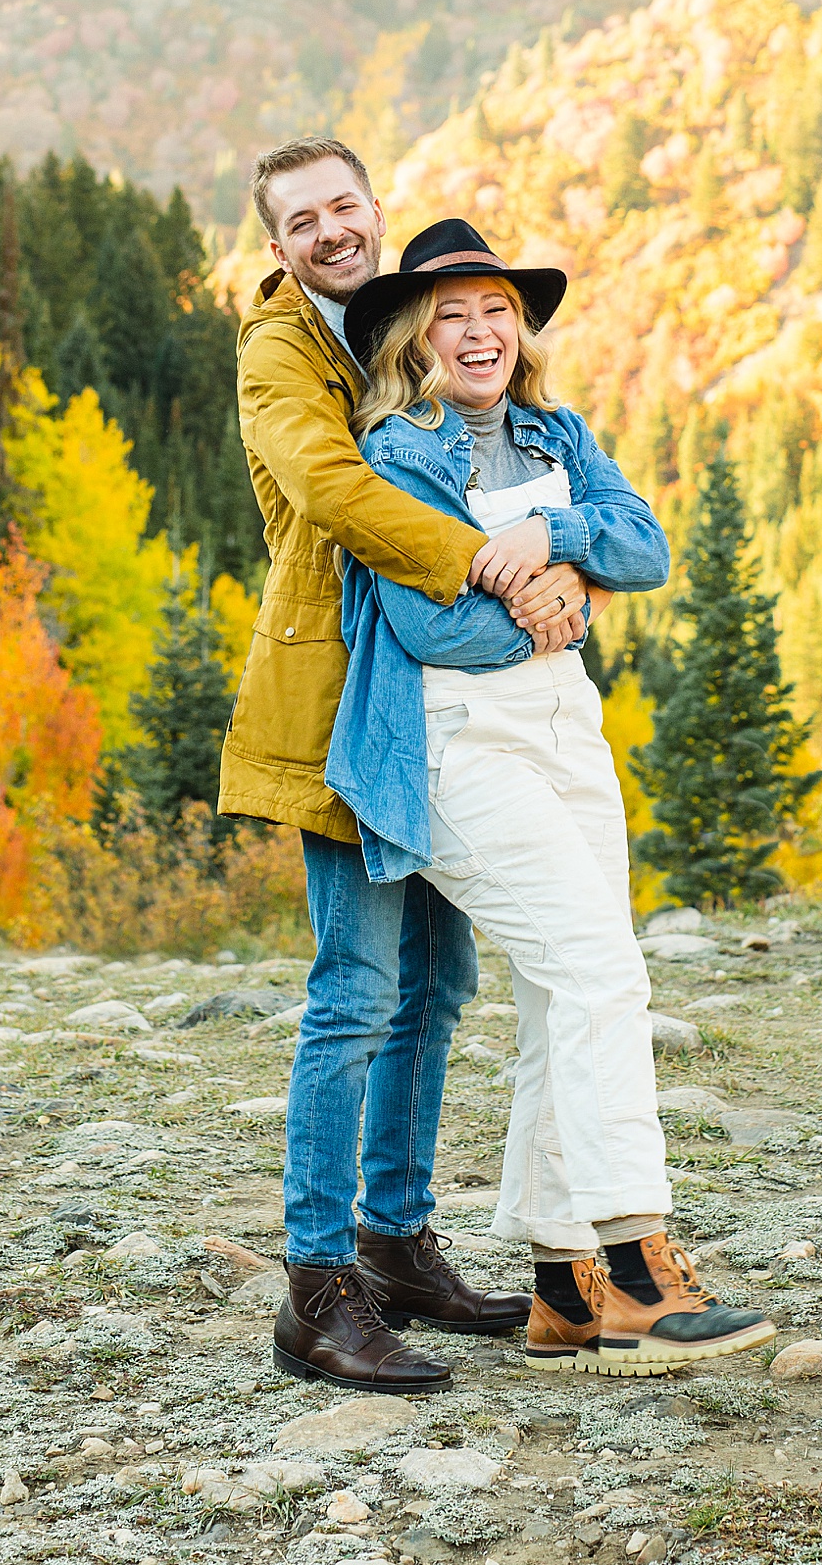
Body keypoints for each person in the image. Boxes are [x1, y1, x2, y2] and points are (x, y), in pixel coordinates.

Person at [331, 217, 778, 1377]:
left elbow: (644, 546)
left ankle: (558, 1291)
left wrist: (550, 536)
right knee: (598, 971)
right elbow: (432, 624)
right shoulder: (390, 451)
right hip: (454, 741)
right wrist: (551, 600)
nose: (477, 332)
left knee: (553, 998)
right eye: (450, 312)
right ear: (411, 335)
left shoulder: (556, 431)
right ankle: (638, 1264)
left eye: (495, 311)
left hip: (568, 730)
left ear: (517, 329)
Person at [219, 138, 594, 1393]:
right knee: (357, 990)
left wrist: (558, 555)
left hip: (442, 704)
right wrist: (491, 565)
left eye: (345, 206)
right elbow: (329, 487)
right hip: (345, 705)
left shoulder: (402, 321)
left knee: (435, 987)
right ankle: (316, 1289)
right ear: (277, 245)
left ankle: (395, 1243)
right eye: (302, 221)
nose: (331, 231)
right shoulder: (281, 350)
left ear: (373, 208)